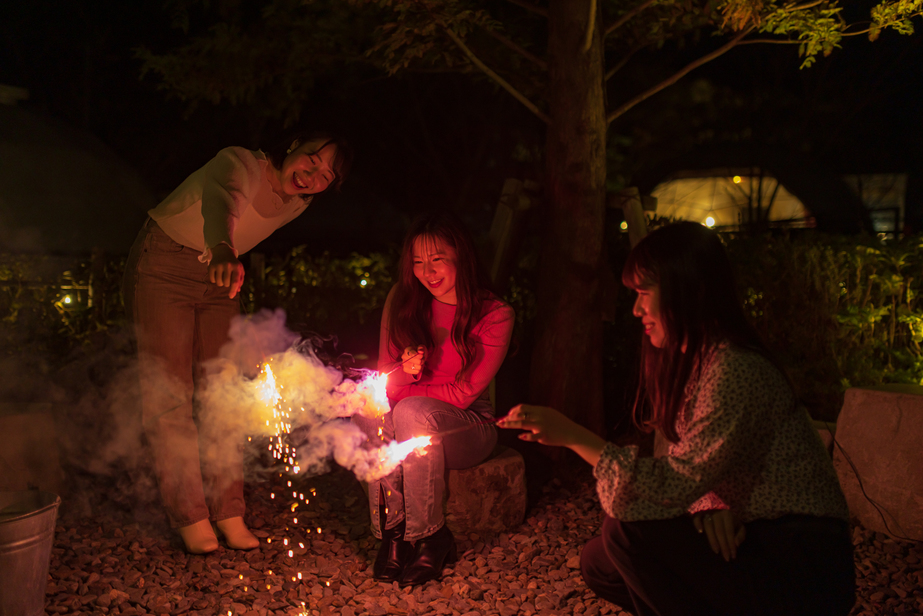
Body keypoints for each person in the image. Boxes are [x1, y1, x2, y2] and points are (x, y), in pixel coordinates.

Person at [499, 221, 855, 616]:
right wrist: (710, 503)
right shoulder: (696, 363)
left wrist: (573, 435)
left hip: (800, 563)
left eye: (644, 292)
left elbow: (672, 482)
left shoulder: (735, 368)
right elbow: (695, 463)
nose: (636, 310)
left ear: (690, 289)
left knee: (627, 530)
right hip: (754, 535)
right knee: (600, 562)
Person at [123, 130, 353, 554]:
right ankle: (191, 517)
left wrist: (227, 261)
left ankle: (229, 511)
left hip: (221, 279)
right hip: (165, 263)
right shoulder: (240, 162)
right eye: (311, 159)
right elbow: (222, 202)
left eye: (326, 175)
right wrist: (224, 249)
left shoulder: (299, 203)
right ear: (294, 146)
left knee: (225, 396)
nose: (312, 175)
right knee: (170, 397)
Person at [352, 212, 515, 586]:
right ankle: (393, 533)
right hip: (413, 414)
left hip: (468, 427)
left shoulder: (495, 314)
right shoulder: (403, 300)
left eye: (437, 258)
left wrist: (404, 390)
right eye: (418, 262)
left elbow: (463, 393)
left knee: (410, 412)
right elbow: (384, 380)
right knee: (364, 411)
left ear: (461, 256)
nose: (427, 271)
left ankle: (429, 535)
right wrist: (404, 373)